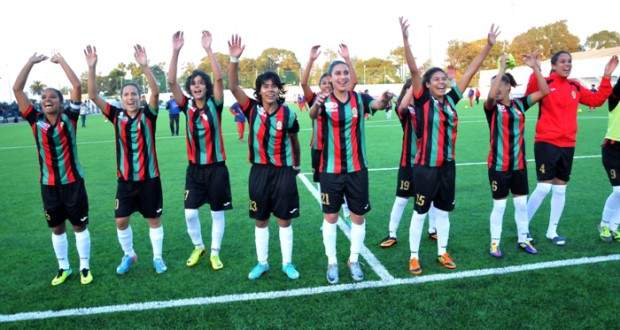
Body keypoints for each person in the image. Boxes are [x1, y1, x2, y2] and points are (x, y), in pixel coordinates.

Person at [403, 18, 500, 275]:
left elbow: (468, 72)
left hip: (447, 166)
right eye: (437, 79)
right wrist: (406, 41)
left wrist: (487, 47)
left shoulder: (450, 101)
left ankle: (442, 251)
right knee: (421, 212)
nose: (442, 82)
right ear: (426, 84)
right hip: (425, 167)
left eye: (444, 79)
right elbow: (414, 70)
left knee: (444, 212)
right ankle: (413, 256)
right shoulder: (423, 101)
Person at [309, 55, 392, 284]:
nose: (342, 77)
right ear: (330, 78)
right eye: (338, 73)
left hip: (357, 169)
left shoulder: (359, 98)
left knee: (358, 216)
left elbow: (377, 104)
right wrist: (317, 102)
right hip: (330, 169)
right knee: (331, 217)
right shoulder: (323, 99)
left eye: (346, 73)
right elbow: (312, 115)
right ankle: (332, 261)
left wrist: (384, 99)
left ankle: (353, 259)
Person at [85, 44, 167, 274]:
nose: (130, 98)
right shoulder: (116, 116)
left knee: (153, 220)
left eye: (134, 94)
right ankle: (129, 254)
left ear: (140, 97)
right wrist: (92, 68)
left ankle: (158, 258)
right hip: (125, 181)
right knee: (121, 220)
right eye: (126, 94)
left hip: (150, 178)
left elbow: (156, 91)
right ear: (121, 99)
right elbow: (92, 95)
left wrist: (144, 66)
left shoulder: (148, 115)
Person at [13, 53, 92, 285]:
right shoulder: (34, 119)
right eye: (44, 97)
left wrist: (62, 61)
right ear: (40, 103)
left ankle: (84, 267)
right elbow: (18, 90)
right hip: (48, 185)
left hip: (73, 182)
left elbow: (77, 85)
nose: (47, 100)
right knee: (56, 227)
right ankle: (64, 267)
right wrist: (29, 63)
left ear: (61, 101)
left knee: (79, 225)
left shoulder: (71, 117)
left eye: (53, 97)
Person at [228, 34, 302, 280]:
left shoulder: (288, 113)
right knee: (260, 220)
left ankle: (287, 263)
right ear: (259, 91)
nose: (270, 89)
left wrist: (297, 163)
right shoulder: (251, 109)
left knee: (284, 220)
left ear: (279, 90)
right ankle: (262, 263)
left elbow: (294, 139)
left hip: (283, 172)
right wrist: (234, 59)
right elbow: (233, 87)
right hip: (259, 171)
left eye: (274, 86)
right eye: (265, 86)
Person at [525, 52, 618, 246]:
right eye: (563, 62)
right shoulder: (546, 82)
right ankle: (522, 228)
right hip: (546, 141)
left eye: (569, 62)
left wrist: (607, 75)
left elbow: (596, 100)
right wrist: (535, 69)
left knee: (560, 190)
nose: (567, 65)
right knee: (543, 187)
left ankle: (552, 231)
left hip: (568, 144)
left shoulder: (574, 85)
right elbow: (529, 94)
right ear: (554, 65)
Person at [168, 31, 232, 271]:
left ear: (206, 87)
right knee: (190, 213)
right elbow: (172, 82)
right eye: (193, 83)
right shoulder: (186, 107)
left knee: (217, 212)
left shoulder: (216, 105)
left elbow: (219, 80)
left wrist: (209, 50)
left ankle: (214, 252)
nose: (197, 86)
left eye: (200, 83)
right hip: (194, 170)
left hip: (216, 169)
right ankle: (198, 245)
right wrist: (175, 51)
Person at [484, 53, 550, 258]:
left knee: (521, 204)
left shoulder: (520, 104)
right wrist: (501, 69)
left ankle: (523, 238)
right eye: (492, 85)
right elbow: (489, 97)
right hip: (498, 166)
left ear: (508, 87)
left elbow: (545, 90)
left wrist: (535, 68)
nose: (494, 89)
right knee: (500, 205)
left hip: (519, 165)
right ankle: (494, 243)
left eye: (498, 85)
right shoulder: (491, 108)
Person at [378, 78, 439, 249]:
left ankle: (433, 229)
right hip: (408, 163)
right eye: (411, 90)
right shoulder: (405, 112)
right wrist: (413, 85)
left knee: (431, 198)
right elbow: (402, 106)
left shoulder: (428, 110)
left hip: (427, 163)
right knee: (401, 199)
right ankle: (392, 233)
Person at [300, 44, 357, 220]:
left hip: (337, 150)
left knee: (345, 177)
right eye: (322, 83)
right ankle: (325, 209)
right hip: (318, 148)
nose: (326, 85)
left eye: (328, 82)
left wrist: (348, 59)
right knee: (320, 180)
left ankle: (347, 207)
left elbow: (353, 81)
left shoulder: (342, 96)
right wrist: (310, 60)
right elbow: (303, 83)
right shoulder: (315, 99)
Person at [598, 78, 620, 241]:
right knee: (618, 190)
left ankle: (614, 227)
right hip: (613, 150)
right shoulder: (615, 101)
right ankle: (604, 224)